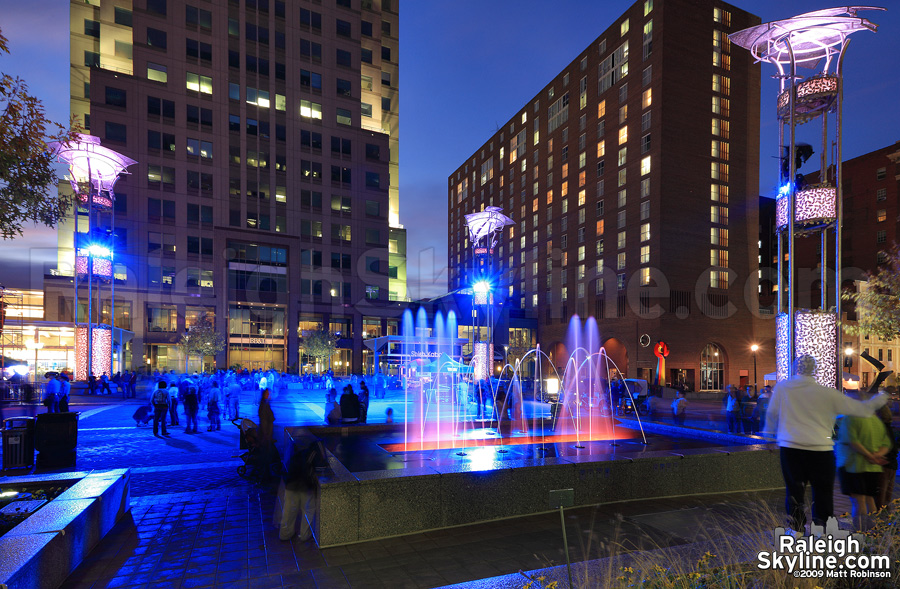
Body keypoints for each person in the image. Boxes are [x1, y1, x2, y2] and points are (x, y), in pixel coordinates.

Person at [766, 355, 888, 533]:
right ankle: (821, 531)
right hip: (821, 450)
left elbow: (771, 414)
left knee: (794, 492)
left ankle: (796, 531)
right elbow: (861, 410)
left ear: (794, 369)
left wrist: (770, 436)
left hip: (791, 448)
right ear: (815, 371)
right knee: (823, 492)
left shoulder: (783, 388)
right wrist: (881, 398)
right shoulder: (827, 393)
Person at [835, 387, 891, 531]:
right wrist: (876, 456)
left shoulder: (851, 418)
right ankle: (873, 531)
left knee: (858, 501)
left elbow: (853, 442)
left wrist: (868, 455)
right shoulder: (875, 420)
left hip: (853, 466)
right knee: (870, 499)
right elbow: (886, 444)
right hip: (874, 468)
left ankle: (859, 531)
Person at [274, 435, 325, 541]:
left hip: (291, 482)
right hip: (305, 484)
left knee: (289, 510)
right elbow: (321, 466)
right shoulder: (317, 447)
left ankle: (285, 534)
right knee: (309, 509)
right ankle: (304, 535)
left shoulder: (295, 445)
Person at [875, 404, 899, 511]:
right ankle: (886, 522)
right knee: (886, 497)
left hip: (884, 464)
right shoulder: (889, 427)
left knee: (880, 496)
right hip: (892, 464)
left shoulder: (880, 428)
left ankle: (879, 522)